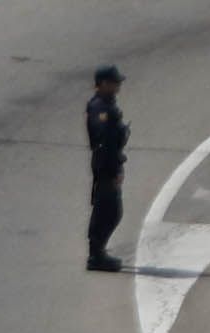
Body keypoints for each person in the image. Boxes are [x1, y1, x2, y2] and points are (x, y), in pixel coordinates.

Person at [83, 67, 127, 273]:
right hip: (105, 163)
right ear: (103, 83)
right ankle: (96, 255)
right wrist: (113, 168)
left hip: (110, 161)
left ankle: (98, 252)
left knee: (111, 211)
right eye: (114, 82)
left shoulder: (107, 104)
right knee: (107, 211)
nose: (118, 86)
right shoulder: (99, 107)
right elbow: (104, 141)